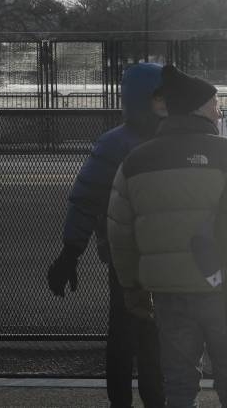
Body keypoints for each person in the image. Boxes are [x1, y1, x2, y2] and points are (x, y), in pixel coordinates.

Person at [108, 65, 227, 408]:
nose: (218, 111)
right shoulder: (222, 154)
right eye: (215, 104)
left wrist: (132, 286)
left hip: (168, 290)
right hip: (220, 286)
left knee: (177, 379)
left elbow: (120, 231)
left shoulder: (137, 160)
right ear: (200, 108)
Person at [48, 63, 165, 408]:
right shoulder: (156, 140)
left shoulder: (116, 142)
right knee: (143, 337)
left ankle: (134, 401)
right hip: (150, 255)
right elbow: (86, 199)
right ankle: (148, 400)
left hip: (132, 254)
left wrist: (72, 251)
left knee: (134, 338)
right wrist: (70, 251)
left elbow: (86, 199)